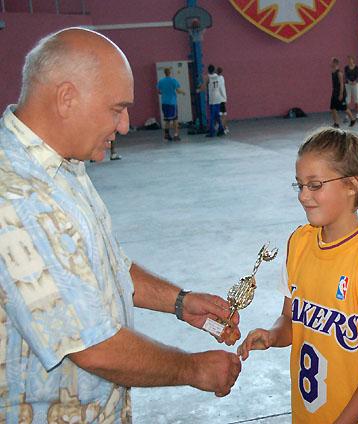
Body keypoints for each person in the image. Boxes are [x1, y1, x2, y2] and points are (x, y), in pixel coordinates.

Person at [0, 27, 242, 423]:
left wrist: (179, 302)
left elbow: (105, 265)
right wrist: (194, 368)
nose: (127, 125)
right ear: (66, 98)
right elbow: (92, 346)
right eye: (117, 108)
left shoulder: (63, 165)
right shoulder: (15, 194)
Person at [237, 127, 358, 423]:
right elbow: (290, 319)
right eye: (299, 185)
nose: (303, 196)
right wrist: (273, 335)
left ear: (352, 184)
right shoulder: (298, 243)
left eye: (315, 185)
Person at [156, 67, 185, 141]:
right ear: (170, 72)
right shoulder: (173, 80)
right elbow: (178, 90)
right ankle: (176, 135)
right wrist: (183, 92)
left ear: (165, 73)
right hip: (172, 103)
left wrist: (165, 93)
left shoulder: (161, 81)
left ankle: (166, 135)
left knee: (167, 120)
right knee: (175, 119)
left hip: (164, 103)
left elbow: (159, 91)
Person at [199, 64, 226, 137]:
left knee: (211, 116)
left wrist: (199, 89)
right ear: (214, 70)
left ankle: (212, 131)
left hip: (212, 98)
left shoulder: (207, 77)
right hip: (218, 98)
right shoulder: (218, 76)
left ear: (208, 70)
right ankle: (221, 130)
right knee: (217, 115)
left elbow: (203, 88)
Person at [330, 57, 356, 128]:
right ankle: (336, 123)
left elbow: (342, 84)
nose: (330, 63)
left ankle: (353, 120)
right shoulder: (333, 72)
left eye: (331, 62)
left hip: (340, 93)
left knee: (344, 108)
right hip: (334, 92)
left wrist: (341, 94)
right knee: (333, 108)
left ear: (335, 63)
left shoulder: (339, 73)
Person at [344, 55, 358, 122]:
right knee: (347, 101)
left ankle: (357, 116)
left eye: (351, 59)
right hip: (348, 85)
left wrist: (355, 81)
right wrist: (349, 81)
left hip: (355, 85)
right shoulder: (346, 67)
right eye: (348, 59)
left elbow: (357, 76)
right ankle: (347, 116)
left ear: (353, 60)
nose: (349, 61)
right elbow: (346, 76)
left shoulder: (356, 67)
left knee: (356, 100)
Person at [217, 66, 230, 134]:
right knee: (223, 115)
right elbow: (222, 89)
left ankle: (224, 127)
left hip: (217, 99)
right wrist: (225, 97)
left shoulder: (216, 78)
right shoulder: (221, 78)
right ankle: (224, 128)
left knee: (221, 115)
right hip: (222, 99)